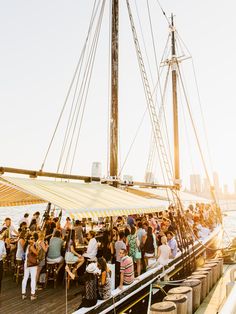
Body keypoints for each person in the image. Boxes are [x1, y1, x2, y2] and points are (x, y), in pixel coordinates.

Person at [22, 233, 39, 300]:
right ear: (29, 240)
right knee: (33, 279)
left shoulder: (26, 246)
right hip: (32, 264)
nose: (33, 239)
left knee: (25, 278)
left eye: (34, 238)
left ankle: (23, 293)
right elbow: (37, 253)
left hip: (26, 263)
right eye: (32, 238)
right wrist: (38, 247)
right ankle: (32, 294)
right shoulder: (31, 246)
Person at [0, 230, 7, 294]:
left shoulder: (2, 242)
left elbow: (4, 252)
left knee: (0, 278)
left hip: (0, 262)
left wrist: (4, 255)